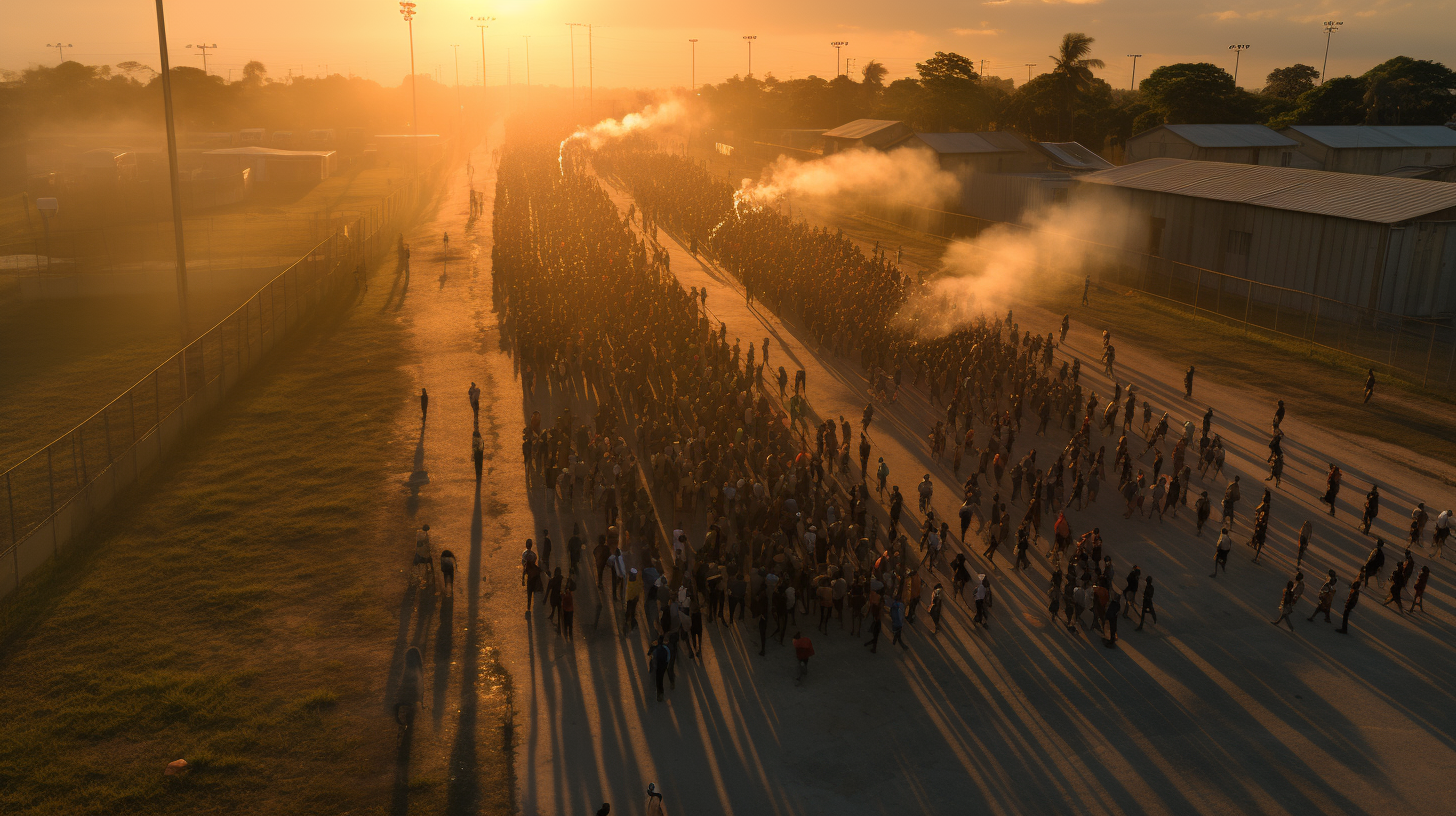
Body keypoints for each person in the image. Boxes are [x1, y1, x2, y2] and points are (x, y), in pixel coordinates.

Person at [521, 539, 541, 612]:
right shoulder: (534, 555)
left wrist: (523, 579)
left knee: (529, 593)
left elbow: (524, 566)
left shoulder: (524, 554)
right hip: (534, 577)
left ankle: (529, 606)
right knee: (535, 591)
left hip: (529, 578)